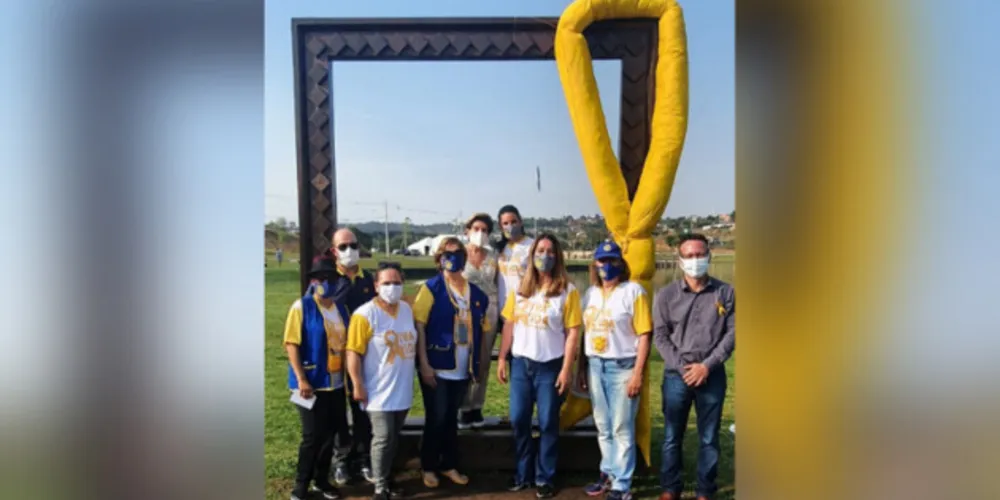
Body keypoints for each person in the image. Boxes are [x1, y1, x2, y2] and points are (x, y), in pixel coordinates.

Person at [496, 233, 582, 499]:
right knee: (520, 419)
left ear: (557, 256)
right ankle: (523, 474)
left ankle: (545, 477)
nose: (544, 256)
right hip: (522, 364)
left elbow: (573, 333)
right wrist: (502, 357)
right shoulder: (520, 289)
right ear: (532, 255)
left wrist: (567, 369)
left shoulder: (568, 291)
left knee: (547, 422)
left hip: (550, 366)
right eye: (540, 250)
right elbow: (509, 325)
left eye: (550, 251)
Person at [653, 234, 735, 500]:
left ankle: (704, 490)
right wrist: (683, 367)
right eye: (688, 256)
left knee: (709, 438)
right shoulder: (666, 295)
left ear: (709, 255)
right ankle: (670, 487)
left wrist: (706, 366)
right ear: (679, 261)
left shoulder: (726, 293)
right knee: (671, 436)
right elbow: (661, 336)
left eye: (699, 254)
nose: (695, 260)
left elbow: (733, 334)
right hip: (677, 376)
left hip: (711, 374)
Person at [577, 239, 652, 500]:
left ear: (621, 263)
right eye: (602, 261)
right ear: (595, 264)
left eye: (612, 261)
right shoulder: (590, 294)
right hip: (596, 364)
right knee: (603, 425)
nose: (606, 266)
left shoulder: (633, 292)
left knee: (622, 427)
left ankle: (622, 483)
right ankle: (607, 473)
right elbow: (584, 333)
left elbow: (644, 335)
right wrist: (581, 369)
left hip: (623, 366)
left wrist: (638, 373)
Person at [412, 237, 490, 488]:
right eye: (447, 253)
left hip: (462, 368)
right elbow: (419, 326)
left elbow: (483, 328)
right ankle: (429, 466)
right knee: (436, 418)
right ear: (439, 257)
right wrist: (423, 363)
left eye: (458, 252)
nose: (453, 257)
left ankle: (449, 464)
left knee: (450, 419)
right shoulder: (431, 289)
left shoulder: (476, 294)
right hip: (437, 366)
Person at [345, 262, 417, 500]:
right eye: (386, 283)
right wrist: (357, 383)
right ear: (376, 286)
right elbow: (353, 351)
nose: (392, 288)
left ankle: (388, 478)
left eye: (397, 282)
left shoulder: (406, 309)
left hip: (402, 387)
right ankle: (379, 487)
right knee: (383, 437)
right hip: (377, 389)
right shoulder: (364, 315)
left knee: (394, 437)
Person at [283, 257, 351, 500]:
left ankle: (321, 480)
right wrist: (301, 378)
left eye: (330, 279)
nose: (326, 283)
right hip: (310, 384)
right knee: (312, 436)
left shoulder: (341, 309)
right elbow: (292, 344)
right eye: (320, 279)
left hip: (334, 383)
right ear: (313, 281)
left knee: (330, 434)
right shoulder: (301, 307)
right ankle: (300, 485)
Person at [329, 228, 377, 485]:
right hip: (335, 358)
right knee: (338, 413)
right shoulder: (327, 281)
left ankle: (364, 458)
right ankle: (341, 460)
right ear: (334, 251)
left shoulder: (369, 280)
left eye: (353, 245)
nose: (349, 251)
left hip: (365, 356)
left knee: (363, 410)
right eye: (343, 246)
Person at [458, 213, 500, 429]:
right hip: (464, 312)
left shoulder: (494, 257)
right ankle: (463, 407)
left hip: (489, 311)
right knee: (465, 357)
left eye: (485, 230)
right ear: (467, 231)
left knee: (482, 360)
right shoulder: (459, 254)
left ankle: (477, 405)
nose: (480, 233)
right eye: (476, 229)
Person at [495, 205, 534, 343]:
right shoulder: (500, 248)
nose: (510, 226)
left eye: (513, 222)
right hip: (504, 312)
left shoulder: (532, 246)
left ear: (520, 222)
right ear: (500, 227)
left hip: (525, 310)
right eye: (505, 223)